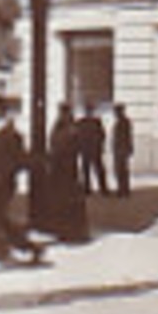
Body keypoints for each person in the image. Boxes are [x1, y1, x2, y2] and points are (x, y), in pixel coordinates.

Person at [0, 102, 43, 274]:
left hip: (3, 184)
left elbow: (19, 159)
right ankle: (31, 248)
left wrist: (6, 173)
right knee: (0, 221)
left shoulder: (11, 135)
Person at [48, 103, 90, 242]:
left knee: (68, 202)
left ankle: (72, 231)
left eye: (63, 112)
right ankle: (68, 231)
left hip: (66, 169)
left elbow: (63, 146)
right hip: (63, 170)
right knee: (65, 202)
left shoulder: (67, 129)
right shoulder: (64, 128)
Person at [75, 102, 108, 196]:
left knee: (98, 168)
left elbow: (102, 135)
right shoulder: (81, 122)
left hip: (94, 149)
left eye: (90, 110)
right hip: (86, 149)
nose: (89, 112)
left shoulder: (96, 122)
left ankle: (102, 188)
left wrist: (99, 144)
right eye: (87, 110)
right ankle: (87, 188)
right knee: (86, 169)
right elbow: (77, 136)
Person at [111, 104, 134, 199]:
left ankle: (123, 189)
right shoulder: (122, 122)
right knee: (120, 169)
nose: (115, 114)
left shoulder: (124, 122)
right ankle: (123, 189)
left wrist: (128, 148)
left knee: (121, 170)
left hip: (121, 148)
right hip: (120, 148)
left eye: (116, 111)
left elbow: (127, 136)